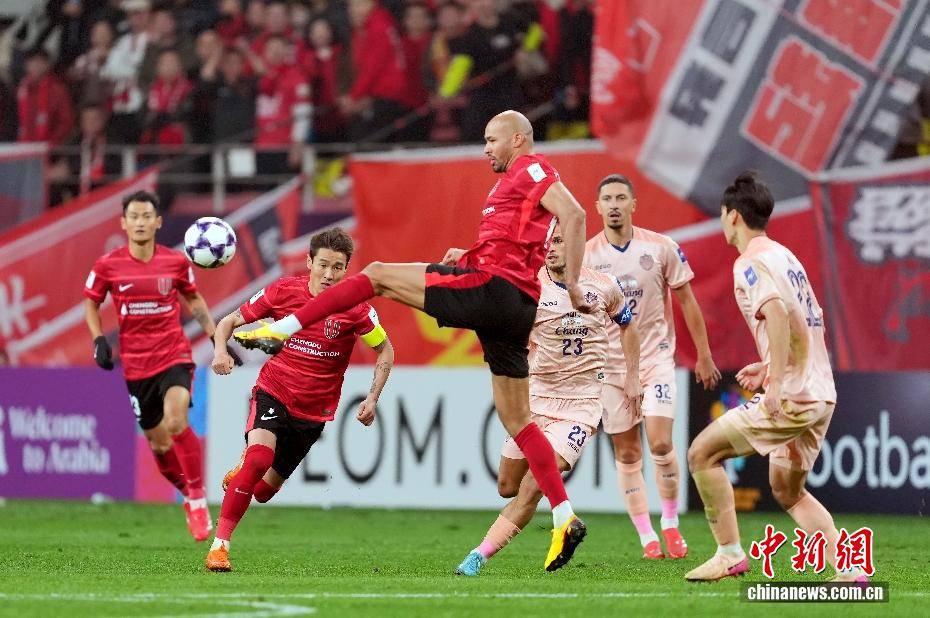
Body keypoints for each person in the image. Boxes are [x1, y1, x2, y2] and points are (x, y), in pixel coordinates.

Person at [235, 110, 591, 572]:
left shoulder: (531, 168)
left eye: (491, 140)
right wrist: (469, 255)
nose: (486, 148)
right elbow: (514, 244)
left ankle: (283, 328)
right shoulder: (511, 186)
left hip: (494, 290)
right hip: (516, 304)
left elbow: (575, 214)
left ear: (518, 139)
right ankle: (564, 516)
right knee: (519, 421)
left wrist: (575, 285)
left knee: (376, 275)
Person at [685, 171, 865, 583]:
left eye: (722, 214)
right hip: (820, 392)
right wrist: (769, 365)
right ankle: (849, 570)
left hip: (792, 395)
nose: (722, 221)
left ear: (732, 215)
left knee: (701, 454)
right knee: (787, 489)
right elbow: (808, 319)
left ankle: (729, 554)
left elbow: (779, 314)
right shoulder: (786, 257)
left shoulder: (749, 262)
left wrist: (777, 383)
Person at [455, 224, 641, 576]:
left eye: (558, 241)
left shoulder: (604, 286)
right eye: (547, 243)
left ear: (575, 245)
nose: (550, 249)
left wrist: (632, 375)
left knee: (532, 487)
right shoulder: (530, 287)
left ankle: (477, 557)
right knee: (507, 486)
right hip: (535, 400)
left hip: (581, 405)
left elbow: (628, 325)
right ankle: (556, 521)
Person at [205, 228, 395, 572]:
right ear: (309, 262)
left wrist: (372, 397)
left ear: (346, 269)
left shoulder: (356, 309)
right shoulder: (283, 291)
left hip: (313, 411)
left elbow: (385, 350)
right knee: (259, 459)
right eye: (323, 264)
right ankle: (219, 547)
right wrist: (220, 351)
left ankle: (245, 470)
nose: (328, 274)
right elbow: (228, 321)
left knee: (263, 491)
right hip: (274, 390)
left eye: (337, 267)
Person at [83, 190, 234, 542]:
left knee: (177, 420)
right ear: (124, 223)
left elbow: (194, 299)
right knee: (160, 444)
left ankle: (198, 499)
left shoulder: (175, 262)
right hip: (136, 365)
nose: (140, 222)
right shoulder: (107, 265)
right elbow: (91, 303)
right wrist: (98, 339)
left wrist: (216, 338)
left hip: (173, 354)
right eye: (134, 216)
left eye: (146, 216)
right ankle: (187, 493)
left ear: (158, 221)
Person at [583, 174, 721, 560]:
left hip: (656, 359)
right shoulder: (587, 257)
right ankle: (647, 537)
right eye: (607, 198)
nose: (613, 204)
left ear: (633, 205)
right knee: (628, 454)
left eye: (620, 198)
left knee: (660, 443)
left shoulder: (661, 248)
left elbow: (687, 301)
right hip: (611, 366)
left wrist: (704, 354)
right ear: (597, 207)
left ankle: (671, 524)